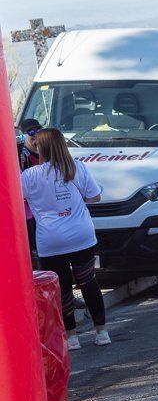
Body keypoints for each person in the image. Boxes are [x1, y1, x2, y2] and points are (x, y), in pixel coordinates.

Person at [21, 128, 110, 350]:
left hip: (50, 241)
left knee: (61, 288)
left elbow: (14, 198)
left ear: (41, 148)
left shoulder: (30, 176)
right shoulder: (76, 167)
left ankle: (71, 337)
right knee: (88, 281)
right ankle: (102, 332)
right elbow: (95, 196)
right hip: (81, 235)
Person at [18, 118, 43, 266]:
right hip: (29, 213)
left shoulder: (46, 151)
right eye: (31, 132)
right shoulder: (22, 154)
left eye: (38, 131)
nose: (35, 135)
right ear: (23, 136)